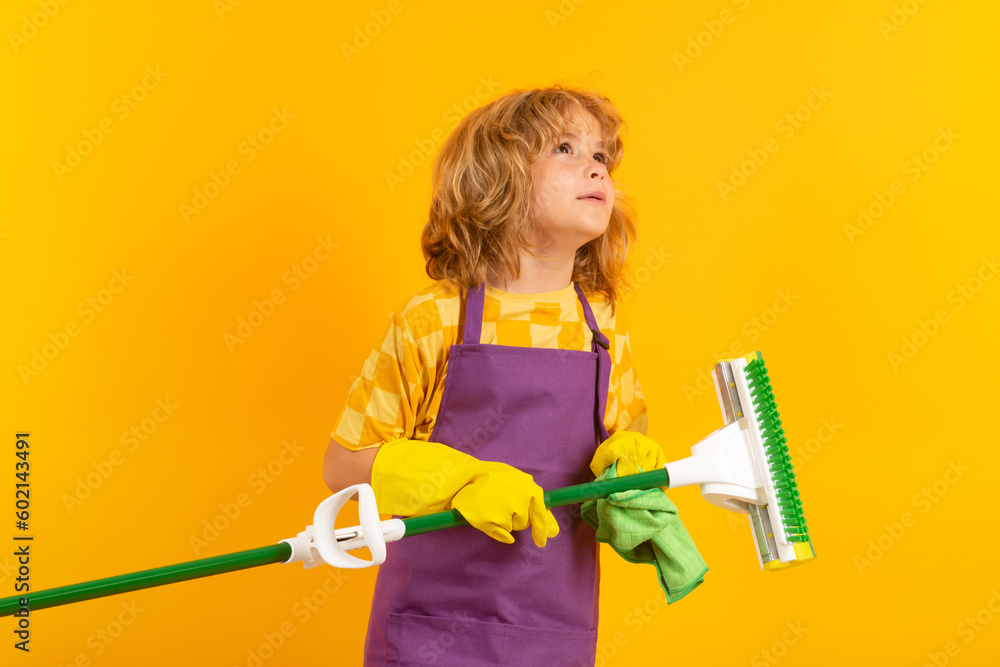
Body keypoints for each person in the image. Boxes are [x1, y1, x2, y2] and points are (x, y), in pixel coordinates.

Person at [323, 84, 670, 666]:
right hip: (432, 631)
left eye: (602, 156)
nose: (596, 167)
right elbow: (344, 465)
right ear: (496, 179)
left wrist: (631, 473)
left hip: (552, 631)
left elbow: (625, 442)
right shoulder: (435, 320)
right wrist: (457, 480)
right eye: (565, 148)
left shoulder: (601, 327)